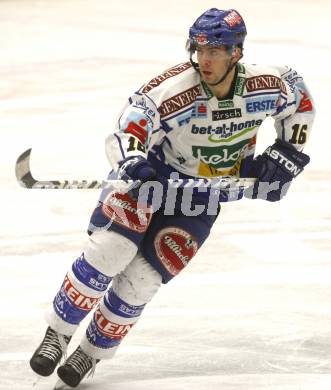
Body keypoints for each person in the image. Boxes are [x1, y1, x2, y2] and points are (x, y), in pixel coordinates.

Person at [29, 8, 314, 388]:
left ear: (237, 52)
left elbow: (300, 101)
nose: (204, 59)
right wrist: (132, 160)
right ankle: (58, 334)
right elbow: (130, 124)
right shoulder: (175, 88)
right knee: (110, 251)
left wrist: (287, 155)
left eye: (215, 50)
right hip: (149, 182)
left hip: (201, 196)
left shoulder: (267, 85)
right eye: (199, 49)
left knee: (143, 279)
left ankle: (89, 353)